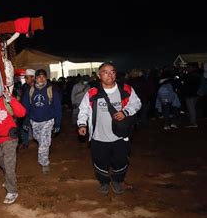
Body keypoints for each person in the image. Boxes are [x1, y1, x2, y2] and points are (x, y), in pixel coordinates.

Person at [77, 62, 141, 195]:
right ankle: (104, 182)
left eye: (112, 72)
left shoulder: (126, 89)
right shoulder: (92, 93)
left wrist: (126, 112)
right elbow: (83, 110)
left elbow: (136, 103)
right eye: (105, 72)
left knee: (121, 160)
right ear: (99, 75)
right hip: (98, 136)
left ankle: (117, 181)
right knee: (100, 161)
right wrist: (82, 124)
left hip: (120, 136)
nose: (109, 75)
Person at [22, 69, 62, 175]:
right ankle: (46, 146)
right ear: (35, 78)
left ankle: (44, 163)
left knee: (43, 143)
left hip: (48, 120)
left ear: (46, 78)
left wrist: (57, 123)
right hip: (34, 121)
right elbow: (26, 108)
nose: (41, 78)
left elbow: (57, 107)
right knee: (39, 139)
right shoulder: (30, 91)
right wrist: (26, 121)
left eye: (43, 76)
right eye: (39, 76)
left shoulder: (52, 90)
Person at [18, 69, 36, 150]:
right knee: (24, 126)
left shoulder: (38, 87)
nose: (25, 79)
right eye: (25, 78)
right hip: (26, 111)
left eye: (27, 78)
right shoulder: (24, 87)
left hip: (36, 112)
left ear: (33, 77)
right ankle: (25, 143)